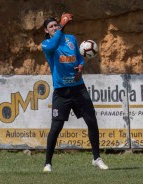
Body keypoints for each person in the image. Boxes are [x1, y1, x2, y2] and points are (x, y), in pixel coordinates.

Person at [41, 13, 108, 172]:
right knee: (56, 128)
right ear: (46, 31)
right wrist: (62, 27)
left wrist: (81, 67)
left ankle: (96, 158)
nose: (55, 27)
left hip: (78, 88)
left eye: (56, 25)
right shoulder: (47, 44)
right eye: (51, 27)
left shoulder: (71, 39)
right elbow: (52, 45)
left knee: (92, 121)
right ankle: (48, 163)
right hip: (61, 92)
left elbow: (80, 58)